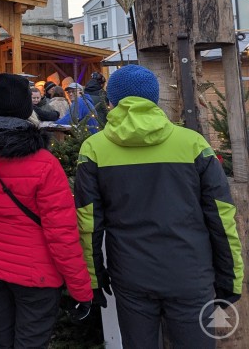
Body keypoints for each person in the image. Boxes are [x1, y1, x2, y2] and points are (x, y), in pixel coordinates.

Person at [75, 65, 243, 348]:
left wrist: (94, 277)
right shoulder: (193, 143)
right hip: (190, 273)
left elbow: (89, 223)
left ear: (111, 101)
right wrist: (231, 276)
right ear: (155, 99)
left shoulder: (94, 148)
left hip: (131, 275)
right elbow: (222, 217)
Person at [0, 72, 93, 348]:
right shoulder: (45, 163)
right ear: (27, 109)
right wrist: (81, 288)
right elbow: (62, 233)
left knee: (0, 340)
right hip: (36, 273)